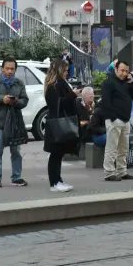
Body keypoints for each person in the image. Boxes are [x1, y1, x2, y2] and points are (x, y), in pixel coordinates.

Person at [0, 57, 28, 188]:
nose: (9, 71)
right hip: (0, 122)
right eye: (7, 68)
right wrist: (2, 99)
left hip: (15, 123)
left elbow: (24, 101)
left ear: (15, 70)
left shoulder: (19, 83)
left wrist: (15, 102)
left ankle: (17, 177)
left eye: (12, 69)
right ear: (2, 68)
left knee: (16, 152)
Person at [42, 58, 78, 192]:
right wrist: (73, 95)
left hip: (57, 122)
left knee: (58, 153)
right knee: (55, 154)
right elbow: (57, 103)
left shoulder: (58, 84)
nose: (67, 73)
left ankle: (58, 180)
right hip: (56, 123)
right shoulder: (54, 85)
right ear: (59, 70)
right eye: (65, 70)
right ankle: (54, 182)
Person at [100, 59, 133, 182]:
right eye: (122, 70)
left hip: (125, 120)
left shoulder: (127, 83)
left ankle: (122, 171)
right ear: (115, 69)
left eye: (126, 71)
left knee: (123, 148)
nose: (124, 73)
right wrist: (113, 117)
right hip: (115, 120)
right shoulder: (109, 83)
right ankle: (109, 172)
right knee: (112, 147)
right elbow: (106, 101)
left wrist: (131, 83)